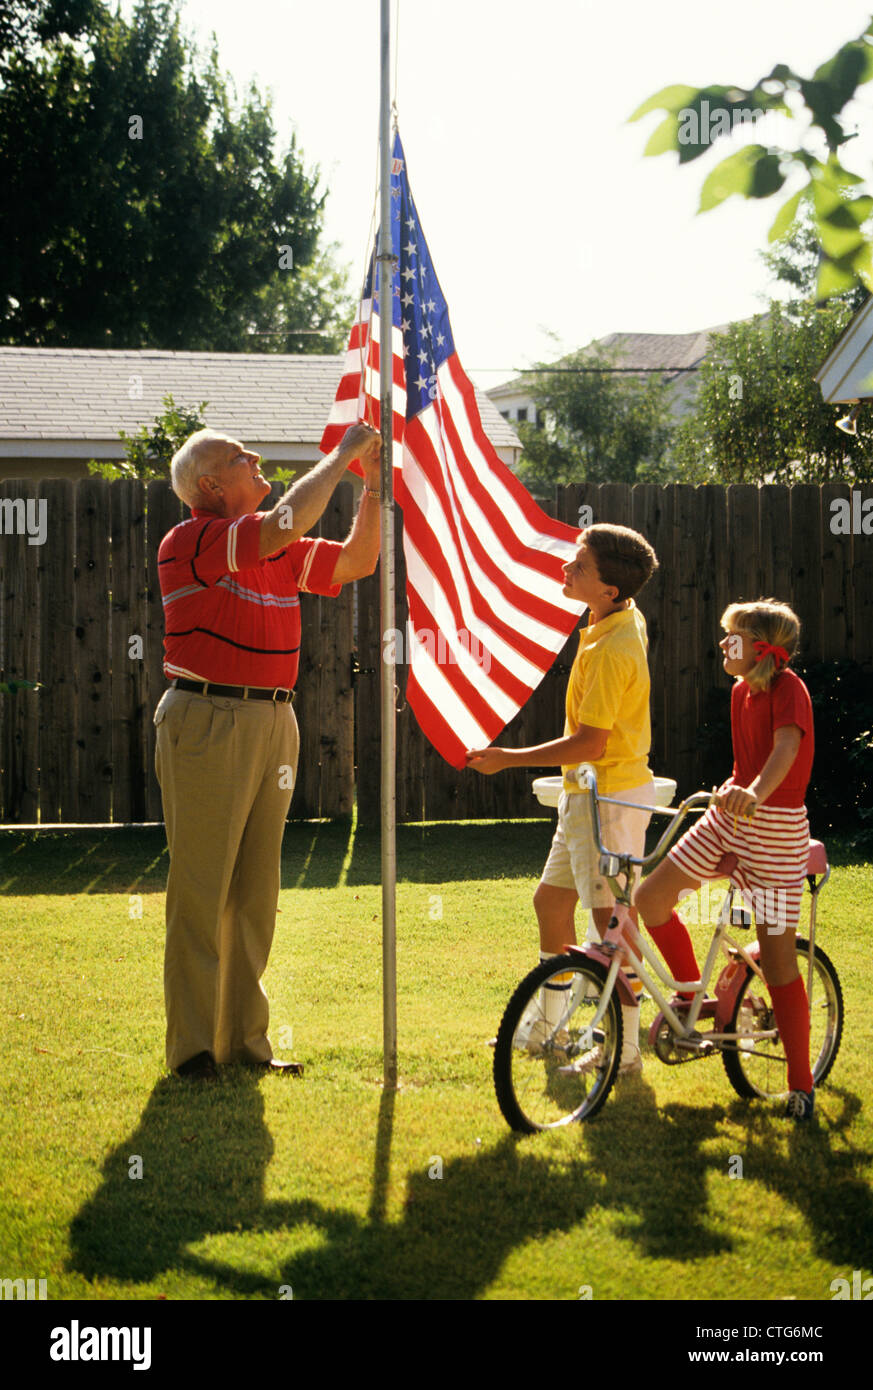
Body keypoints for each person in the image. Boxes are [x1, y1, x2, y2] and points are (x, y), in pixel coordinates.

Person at [154, 422, 382, 1081]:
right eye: (238, 457)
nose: (255, 459)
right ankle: (194, 1051)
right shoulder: (192, 539)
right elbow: (283, 524)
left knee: (254, 892)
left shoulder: (272, 548)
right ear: (210, 486)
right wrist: (342, 455)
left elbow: (355, 562)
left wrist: (373, 491)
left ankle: (243, 1044)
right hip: (207, 714)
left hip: (273, 719)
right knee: (201, 888)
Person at [467, 523, 659, 1074]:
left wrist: (509, 758)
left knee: (612, 925)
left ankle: (623, 1051)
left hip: (611, 802)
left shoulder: (613, 646)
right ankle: (547, 1031)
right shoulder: (612, 618)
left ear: (610, 591)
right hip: (586, 796)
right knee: (551, 905)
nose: (565, 570)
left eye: (579, 566)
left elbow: (590, 743)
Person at [634, 599, 816, 1121]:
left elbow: (785, 750)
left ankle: (800, 1086)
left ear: (760, 647)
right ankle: (693, 997)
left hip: (777, 829)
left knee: (779, 963)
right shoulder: (740, 692)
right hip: (730, 815)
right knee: (652, 897)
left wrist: (755, 793)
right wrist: (736, 791)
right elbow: (748, 760)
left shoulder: (789, 690)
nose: (721, 643)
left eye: (731, 635)